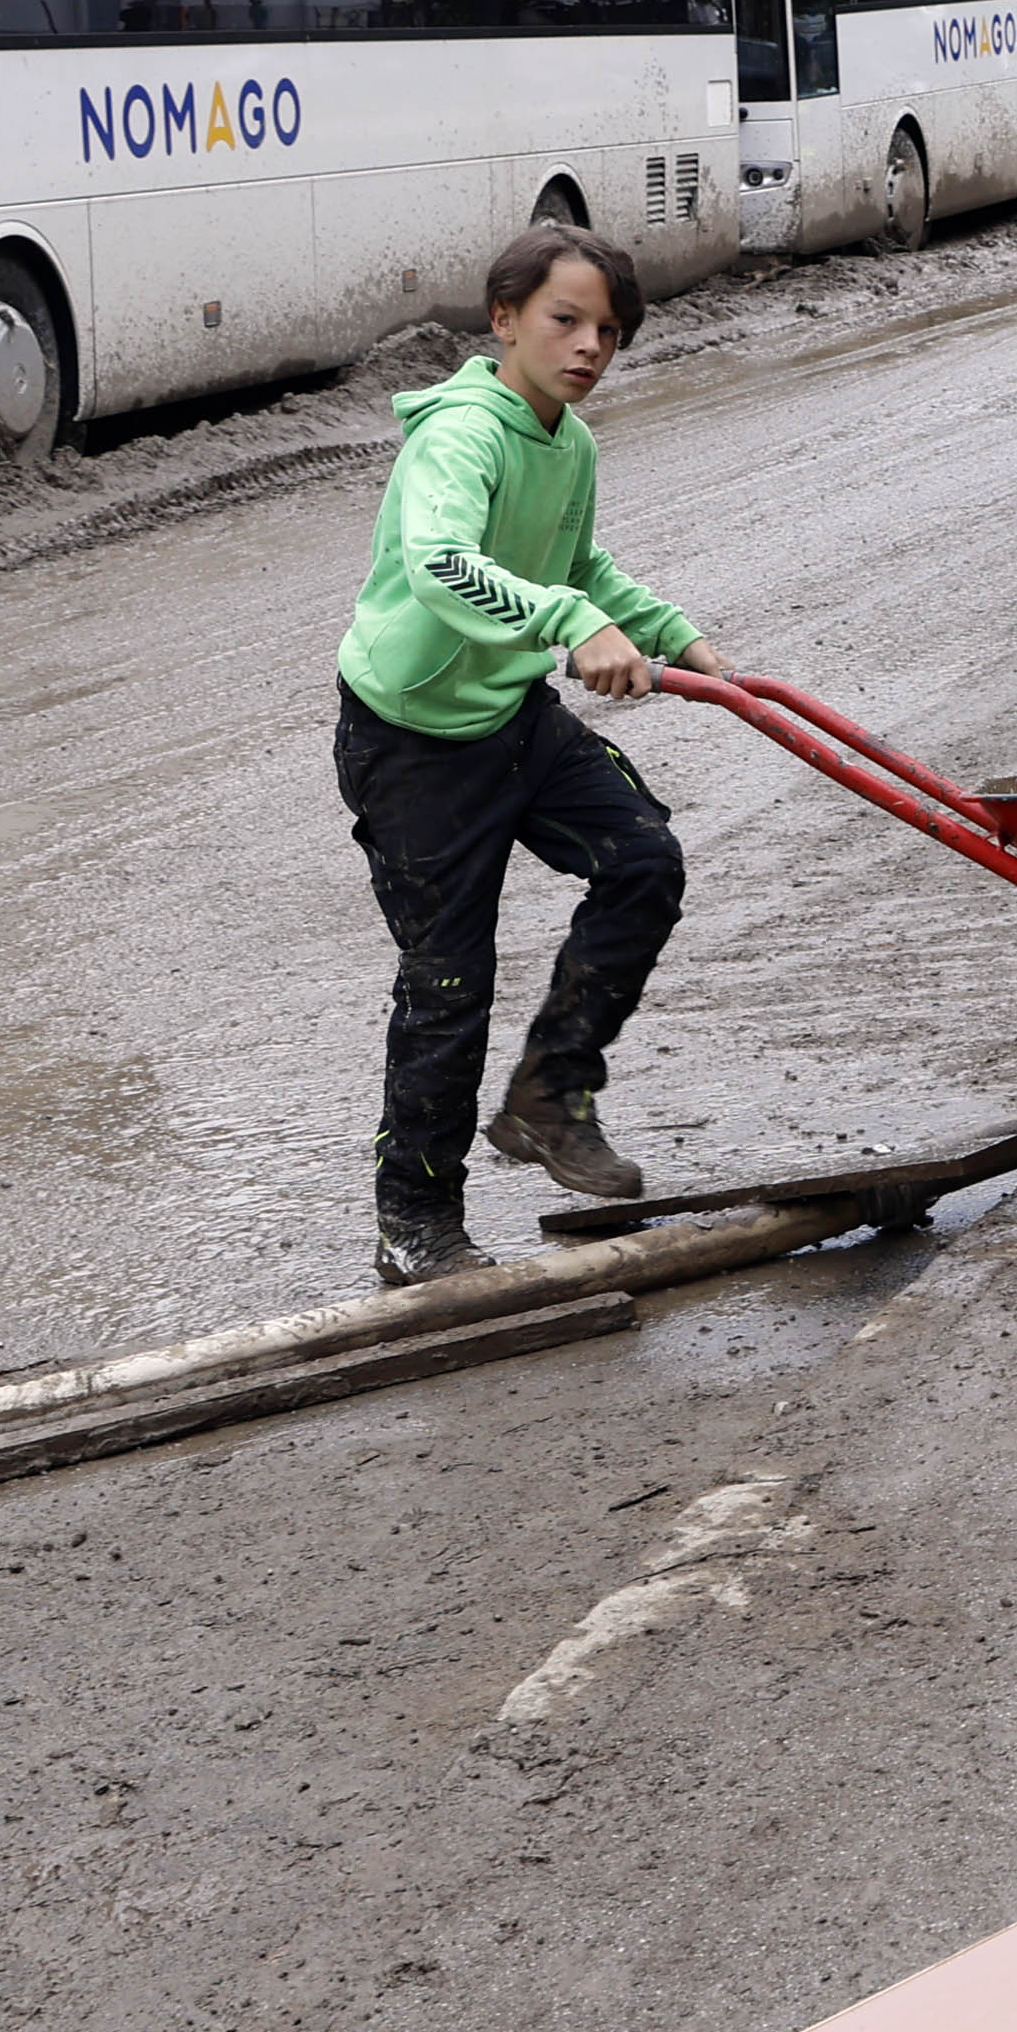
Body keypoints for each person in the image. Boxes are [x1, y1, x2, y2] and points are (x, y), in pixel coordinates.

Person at [328, 223, 720, 1284]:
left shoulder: (568, 442)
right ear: (504, 321)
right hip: (412, 739)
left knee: (643, 859)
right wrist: (567, 624)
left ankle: (550, 1098)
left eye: (609, 330)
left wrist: (668, 628)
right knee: (449, 983)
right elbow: (443, 562)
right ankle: (415, 1224)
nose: (590, 345)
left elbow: (575, 560)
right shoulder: (461, 436)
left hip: (508, 719)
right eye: (565, 321)